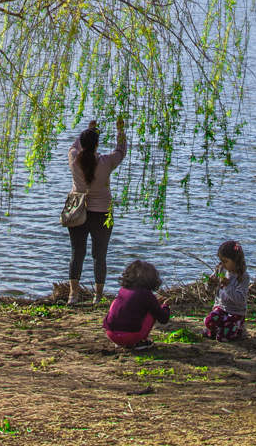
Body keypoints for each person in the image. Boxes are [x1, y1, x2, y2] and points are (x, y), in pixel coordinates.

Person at [67, 116, 126, 305]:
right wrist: (120, 131)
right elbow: (121, 151)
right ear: (97, 145)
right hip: (102, 213)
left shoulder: (74, 160)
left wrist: (90, 130)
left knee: (77, 252)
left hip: (78, 210)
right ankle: (98, 296)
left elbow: (74, 146)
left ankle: (73, 295)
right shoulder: (106, 162)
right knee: (100, 255)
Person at [103, 259, 170, 350]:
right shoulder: (147, 294)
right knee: (151, 312)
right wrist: (165, 306)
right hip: (130, 336)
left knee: (117, 303)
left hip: (111, 334)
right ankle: (138, 342)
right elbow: (163, 318)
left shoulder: (123, 290)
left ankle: (122, 342)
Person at [203, 240, 249, 341]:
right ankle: (221, 329)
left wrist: (228, 287)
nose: (223, 264)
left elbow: (240, 300)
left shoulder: (243, 277)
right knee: (208, 321)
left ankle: (238, 330)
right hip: (220, 309)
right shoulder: (221, 270)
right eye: (221, 261)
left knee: (223, 337)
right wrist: (210, 283)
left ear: (235, 260)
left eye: (226, 261)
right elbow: (209, 289)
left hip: (235, 312)